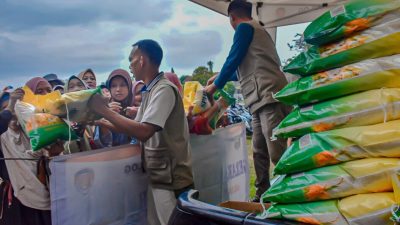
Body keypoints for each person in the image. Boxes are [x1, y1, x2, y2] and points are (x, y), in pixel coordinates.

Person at [89, 39, 193, 225]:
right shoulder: (151, 90)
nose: (129, 65)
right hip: (159, 174)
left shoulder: (164, 90)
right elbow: (132, 126)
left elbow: (144, 132)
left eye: (131, 59)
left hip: (170, 177)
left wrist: (104, 110)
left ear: (142, 60)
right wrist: (98, 119)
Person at [204, 0, 290, 202]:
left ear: (232, 18)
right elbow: (243, 68)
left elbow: (233, 59)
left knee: (276, 152)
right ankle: (263, 195)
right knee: (259, 150)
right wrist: (217, 77)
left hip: (269, 96)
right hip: (260, 100)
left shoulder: (244, 28)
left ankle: (289, 194)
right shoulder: (259, 30)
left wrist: (214, 86)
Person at [1, 77, 64, 225]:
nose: (45, 95)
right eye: (39, 91)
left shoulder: (53, 126)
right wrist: (9, 109)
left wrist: (54, 153)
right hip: (19, 205)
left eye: (49, 91)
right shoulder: (4, 135)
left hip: (52, 198)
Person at [94, 69, 136, 147]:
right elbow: (102, 145)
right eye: (113, 86)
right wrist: (106, 117)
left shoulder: (136, 110)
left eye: (123, 85)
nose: (118, 89)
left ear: (129, 86)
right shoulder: (105, 110)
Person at [64, 76, 96, 152]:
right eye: (71, 87)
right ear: (65, 93)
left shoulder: (92, 115)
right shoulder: (62, 119)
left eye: (80, 85)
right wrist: (78, 129)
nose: (77, 89)